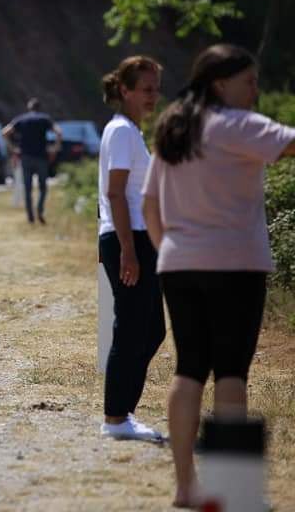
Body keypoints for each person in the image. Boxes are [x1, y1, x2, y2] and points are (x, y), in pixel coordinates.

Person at [142, 44, 295, 508]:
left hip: (179, 263)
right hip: (235, 264)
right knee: (231, 373)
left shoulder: (174, 126)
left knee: (189, 369)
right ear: (219, 84)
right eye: (248, 80)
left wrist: (167, 248)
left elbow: (150, 201)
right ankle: (230, 488)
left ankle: (186, 486)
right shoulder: (236, 124)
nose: (256, 90)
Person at [96, 56, 166, 442]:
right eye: (146, 89)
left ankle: (123, 410)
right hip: (129, 238)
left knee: (150, 328)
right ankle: (116, 416)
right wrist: (127, 249)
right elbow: (115, 192)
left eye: (156, 88)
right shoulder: (122, 132)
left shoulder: (128, 131)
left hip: (137, 237)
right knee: (132, 329)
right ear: (125, 91)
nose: (153, 96)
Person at [2, 98, 61, 224]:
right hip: (41, 157)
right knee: (42, 187)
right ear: (39, 108)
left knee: (27, 188)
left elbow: (5, 132)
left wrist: (13, 148)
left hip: (26, 157)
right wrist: (54, 149)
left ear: (29, 108)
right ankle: (39, 211)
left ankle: (30, 216)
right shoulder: (45, 119)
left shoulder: (21, 119)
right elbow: (59, 132)